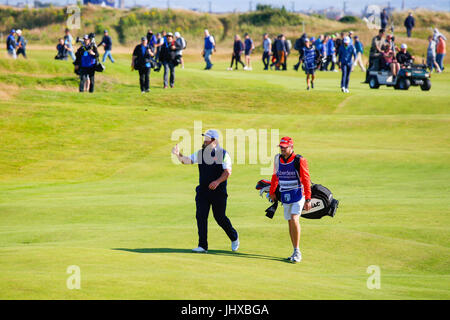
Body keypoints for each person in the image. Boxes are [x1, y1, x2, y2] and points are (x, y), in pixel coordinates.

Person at [171, 129, 239, 254]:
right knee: (201, 217)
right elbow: (187, 161)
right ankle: (202, 245)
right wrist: (177, 154)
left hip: (218, 193)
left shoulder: (223, 154)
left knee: (219, 217)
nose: (204, 141)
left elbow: (227, 172)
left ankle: (234, 237)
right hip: (203, 192)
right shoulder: (200, 153)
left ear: (213, 141)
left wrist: (217, 182)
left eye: (207, 139)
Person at [269, 137, 311, 263]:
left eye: (285, 147)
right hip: (285, 195)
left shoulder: (299, 160)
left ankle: (298, 251)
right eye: (281, 147)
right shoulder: (277, 158)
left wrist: (308, 198)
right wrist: (272, 192)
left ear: (291, 147)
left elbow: (306, 179)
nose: (282, 149)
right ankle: (294, 249)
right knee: (289, 222)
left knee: (294, 218)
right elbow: (275, 176)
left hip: (298, 194)